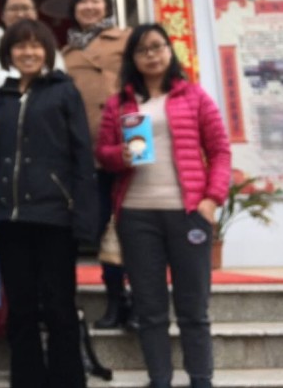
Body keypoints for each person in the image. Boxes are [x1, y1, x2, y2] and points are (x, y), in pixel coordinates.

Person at [95, 23, 231, 388]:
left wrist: (211, 201)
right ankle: (159, 380)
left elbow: (220, 151)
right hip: (136, 215)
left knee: (194, 308)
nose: (152, 55)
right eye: (142, 50)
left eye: (157, 46)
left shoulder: (194, 96)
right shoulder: (119, 104)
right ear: (132, 59)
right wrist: (119, 155)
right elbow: (103, 153)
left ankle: (201, 379)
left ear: (170, 50)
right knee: (150, 309)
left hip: (188, 215)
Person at [0, 19, 99, 388]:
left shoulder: (64, 92)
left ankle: (67, 380)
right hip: (9, 220)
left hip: (55, 217)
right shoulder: (1, 99)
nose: (29, 52)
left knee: (58, 307)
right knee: (21, 309)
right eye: (20, 45)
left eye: (36, 45)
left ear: (48, 52)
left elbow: (83, 157)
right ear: (9, 53)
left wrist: (85, 218)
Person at [61, 0, 133, 329]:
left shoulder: (126, 39)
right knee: (101, 227)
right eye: (83, 1)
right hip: (85, 155)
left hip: (123, 149)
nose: (89, 7)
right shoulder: (65, 53)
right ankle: (114, 300)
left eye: (96, 1)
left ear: (108, 7)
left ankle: (135, 301)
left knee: (128, 228)